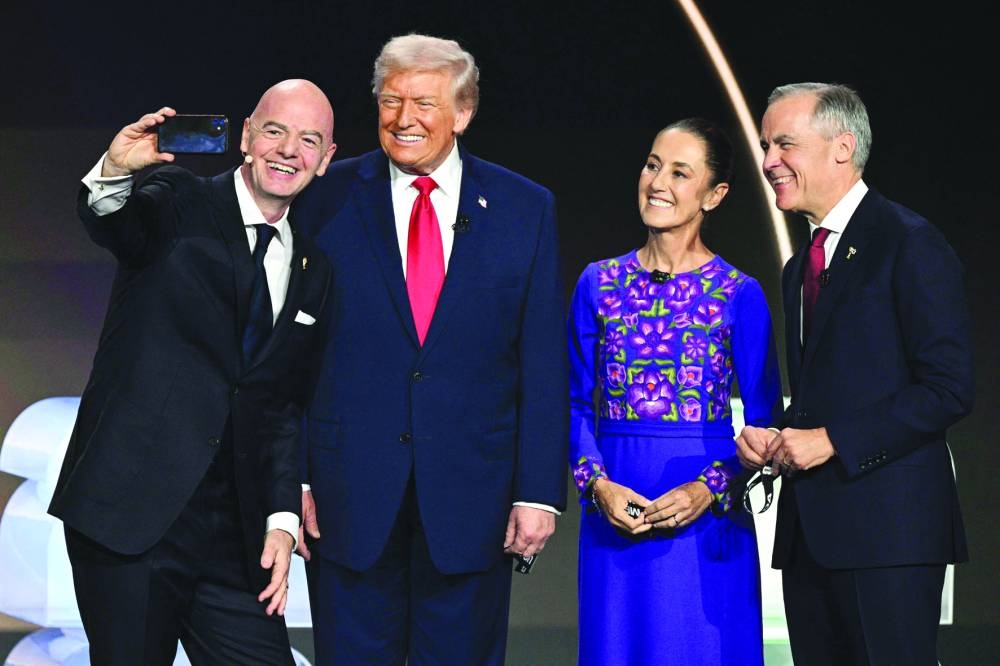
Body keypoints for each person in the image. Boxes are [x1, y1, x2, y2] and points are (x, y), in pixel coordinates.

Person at [291, 34, 569, 665]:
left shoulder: (524, 209)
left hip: (474, 497)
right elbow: (293, 352)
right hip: (346, 494)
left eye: (424, 103)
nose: (403, 118)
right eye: (391, 101)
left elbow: (542, 362)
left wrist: (536, 492)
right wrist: (295, 475)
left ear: (462, 113)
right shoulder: (326, 196)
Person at [47, 79, 337, 665]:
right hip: (131, 519)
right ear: (247, 137)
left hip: (234, 538)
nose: (289, 150)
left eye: (309, 140)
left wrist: (282, 520)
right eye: (275, 131)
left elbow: (283, 406)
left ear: (326, 159)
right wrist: (114, 172)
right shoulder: (179, 200)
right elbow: (116, 223)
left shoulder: (315, 269)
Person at [738, 82, 975, 665]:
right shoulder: (799, 265)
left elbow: (947, 389)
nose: (768, 161)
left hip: (889, 537)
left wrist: (832, 440)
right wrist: (778, 436)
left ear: (842, 147)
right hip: (809, 539)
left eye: (784, 144)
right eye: (766, 146)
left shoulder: (909, 242)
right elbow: (827, 390)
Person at [568, 118, 783, 665]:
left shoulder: (739, 293)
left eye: (679, 173)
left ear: (714, 194)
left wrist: (708, 489)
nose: (657, 182)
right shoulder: (597, 283)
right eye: (652, 165)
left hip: (706, 523)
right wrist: (597, 485)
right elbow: (572, 403)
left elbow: (766, 425)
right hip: (615, 515)